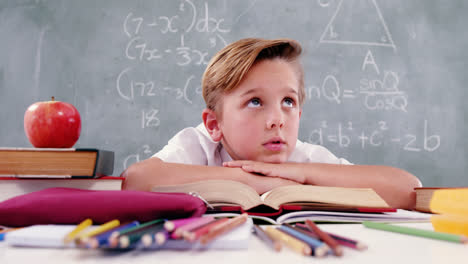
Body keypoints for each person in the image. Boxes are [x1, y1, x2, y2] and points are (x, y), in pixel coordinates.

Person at [121, 38, 421, 209]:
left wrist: (298, 173)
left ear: (299, 115)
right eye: (255, 102)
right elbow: (135, 180)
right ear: (214, 124)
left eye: (288, 102)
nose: (277, 120)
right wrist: (258, 182)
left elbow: (407, 190)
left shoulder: (304, 160)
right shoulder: (197, 144)